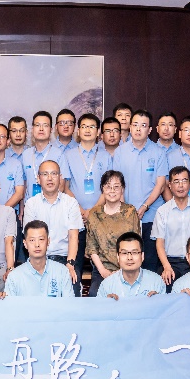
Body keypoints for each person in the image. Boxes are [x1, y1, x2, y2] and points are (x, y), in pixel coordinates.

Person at [114, 110, 167, 273]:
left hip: (152, 215)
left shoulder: (159, 152)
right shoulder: (120, 152)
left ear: (149, 130)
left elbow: (160, 184)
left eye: (143, 125)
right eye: (135, 125)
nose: (138, 129)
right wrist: (127, 209)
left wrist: (145, 206)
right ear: (130, 127)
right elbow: (117, 184)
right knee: (128, 263)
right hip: (127, 217)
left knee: (150, 262)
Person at [62, 113, 113, 278]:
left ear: (98, 132)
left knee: (101, 263)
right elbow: (65, 187)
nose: (87, 130)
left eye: (92, 127)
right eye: (84, 126)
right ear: (78, 131)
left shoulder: (106, 156)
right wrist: (80, 210)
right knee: (75, 261)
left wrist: (93, 210)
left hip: (100, 215)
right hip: (75, 215)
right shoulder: (68, 155)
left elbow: (109, 187)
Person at [23, 160, 84, 295]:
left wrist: (70, 264)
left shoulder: (71, 203)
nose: (50, 178)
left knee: (73, 287)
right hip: (39, 259)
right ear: (38, 179)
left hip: (64, 259)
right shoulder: (31, 204)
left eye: (54, 174)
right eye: (45, 174)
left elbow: (73, 236)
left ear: (60, 177)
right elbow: (30, 238)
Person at [152, 166, 190, 291]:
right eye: (176, 181)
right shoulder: (162, 211)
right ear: (170, 185)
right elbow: (159, 243)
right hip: (171, 262)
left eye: (184, 181)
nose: (181, 185)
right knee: (164, 285)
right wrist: (166, 267)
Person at [85, 170, 141, 297]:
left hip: (128, 268)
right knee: (94, 293)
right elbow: (92, 248)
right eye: (108, 187)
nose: (112, 191)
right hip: (102, 270)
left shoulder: (130, 211)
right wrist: (103, 271)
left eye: (116, 187)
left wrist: (123, 270)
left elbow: (136, 243)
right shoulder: (94, 214)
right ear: (102, 189)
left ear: (122, 189)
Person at [2, 220, 75, 298]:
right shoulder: (14, 276)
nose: (37, 245)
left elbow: (69, 303)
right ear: (25, 244)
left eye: (41, 239)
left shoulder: (62, 272)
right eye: (32, 240)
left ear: (48, 242)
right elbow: (10, 305)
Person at [99, 232, 165, 300]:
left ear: (142, 256)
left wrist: (157, 301)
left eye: (134, 252)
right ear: (118, 257)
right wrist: (107, 303)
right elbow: (99, 306)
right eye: (124, 253)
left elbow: (165, 306)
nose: (129, 258)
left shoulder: (156, 282)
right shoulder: (107, 285)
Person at [21, 111, 69, 199]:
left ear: (51, 129)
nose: (41, 129)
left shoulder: (59, 154)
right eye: (37, 125)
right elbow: (23, 184)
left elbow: (61, 185)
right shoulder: (26, 154)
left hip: (51, 205)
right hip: (29, 205)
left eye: (45, 125)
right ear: (32, 129)